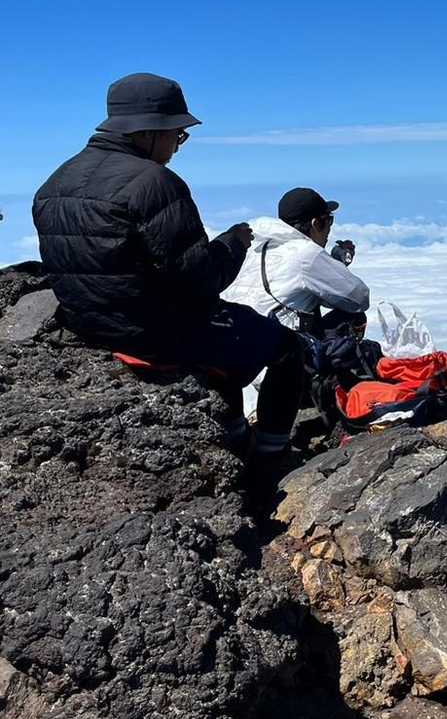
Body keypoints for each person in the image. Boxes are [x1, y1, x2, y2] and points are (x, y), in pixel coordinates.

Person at [32, 72, 303, 456]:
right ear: (147, 131)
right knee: (287, 346)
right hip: (152, 336)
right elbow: (202, 280)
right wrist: (234, 243)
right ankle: (271, 454)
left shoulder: (54, 183)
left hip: (87, 327)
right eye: (177, 134)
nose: (178, 144)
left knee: (227, 335)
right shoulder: (155, 183)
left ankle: (232, 432)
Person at [222, 186, 370, 337]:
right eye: (329, 221)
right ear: (315, 223)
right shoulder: (306, 253)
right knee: (355, 316)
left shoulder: (255, 246)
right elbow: (359, 298)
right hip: (271, 343)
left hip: (230, 336)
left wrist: (333, 264)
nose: (329, 229)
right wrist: (338, 264)